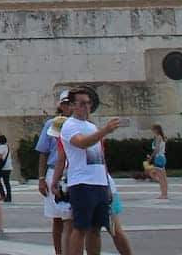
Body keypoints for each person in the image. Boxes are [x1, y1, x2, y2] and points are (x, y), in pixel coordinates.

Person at [58, 86, 120, 255]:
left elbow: (100, 158)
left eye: (89, 103)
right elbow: (82, 143)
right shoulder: (69, 126)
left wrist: (107, 184)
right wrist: (105, 130)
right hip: (81, 183)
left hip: (98, 182)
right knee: (80, 228)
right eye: (82, 103)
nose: (87, 107)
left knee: (95, 228)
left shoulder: (91, 127)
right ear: (72, 106)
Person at [36, 91, 74, 253]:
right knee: (58, 218)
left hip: (75, 172)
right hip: (55, 173)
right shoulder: (54, 123)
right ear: (61, 105)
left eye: (71, 103)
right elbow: (43, 152)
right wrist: (41, 177)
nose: (68, 107)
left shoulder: (81, 123)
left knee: (71, 219)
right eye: (65, 104)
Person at [144, 124, 168, 200]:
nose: (152, 131)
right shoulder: (162, 137)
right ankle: (165, 193)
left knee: (161, 178)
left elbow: (156, 149)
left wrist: (151, 157)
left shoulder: (157, 137)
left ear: (156, 130)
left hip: (158, 157)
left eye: (153, 129)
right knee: (164, 177)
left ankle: (163, 194)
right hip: (163, 157)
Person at [0, 134, 13, 202]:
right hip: (8, 167)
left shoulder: (1, 147)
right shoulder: (7, 146)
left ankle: (3, 195)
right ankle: (8, 197)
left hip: (2, 167)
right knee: (6, 182)